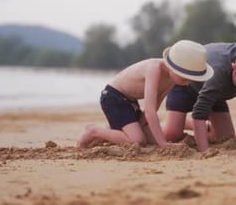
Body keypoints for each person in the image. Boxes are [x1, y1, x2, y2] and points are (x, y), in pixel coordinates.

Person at [77, 40, 214, 149]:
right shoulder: (153, 69)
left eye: (190, 79)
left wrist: (145, 127)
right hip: (114, 97)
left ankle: (112, 132)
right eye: (185, 78)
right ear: (172, 67)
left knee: (150, 140)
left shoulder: (173, 79)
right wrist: (164, 144)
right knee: (138, 140)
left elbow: (155, 105)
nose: (187, 83)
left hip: (130, 102)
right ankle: (94, 131)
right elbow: (149, 111)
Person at [162, 43, 236, 152]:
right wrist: (204, 150)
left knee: (225, 137)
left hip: (216, 95)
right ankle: (163, 125)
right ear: (233, 67)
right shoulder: (218, 74)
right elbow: (199, 113)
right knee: (172, 135)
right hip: (185, 86)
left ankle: (192, 125)